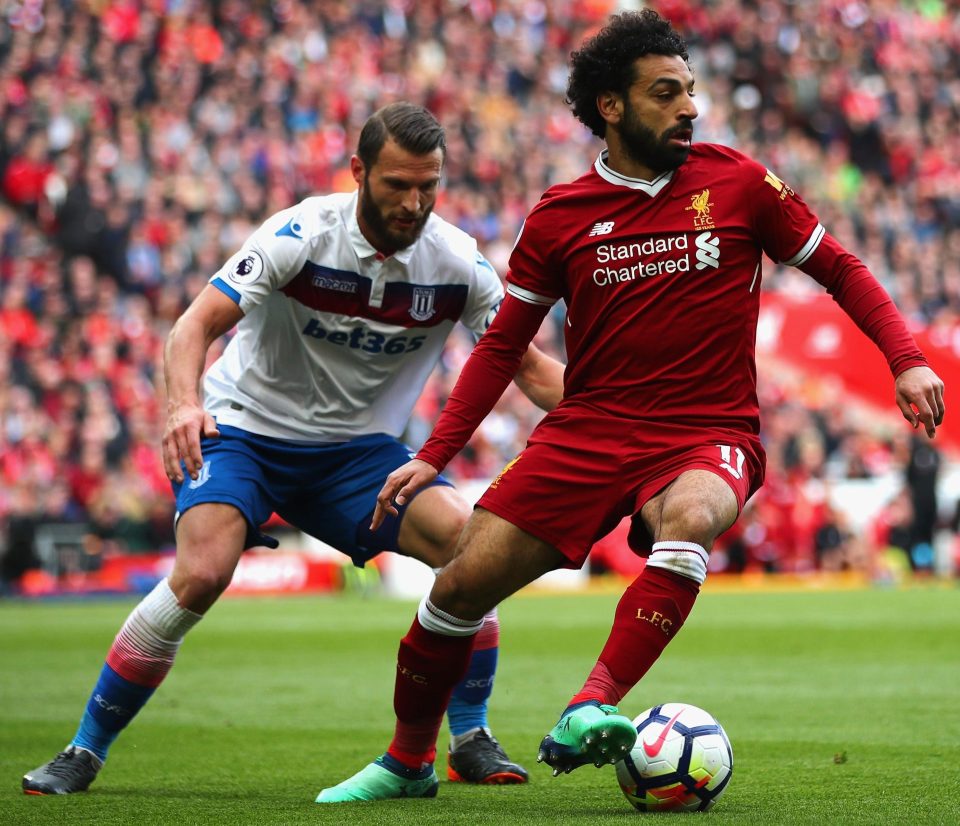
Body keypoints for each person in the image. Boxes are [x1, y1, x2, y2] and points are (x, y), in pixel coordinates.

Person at [317, 10, 945, 804]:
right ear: (610, 106)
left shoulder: (741, 184)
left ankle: (591, 703)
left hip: (706, 431)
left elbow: (842, 268)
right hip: (588, 430)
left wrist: (907, 358)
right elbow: (501, 348)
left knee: (689, 520)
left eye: (690, 91)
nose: (689, 107)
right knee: (457, 591)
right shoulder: (559, 216)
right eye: (666, 92)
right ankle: (407, 762)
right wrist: (434, 456)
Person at [22, 102, 565, 796]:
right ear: (358, 172)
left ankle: (470, 737)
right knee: (202, 572)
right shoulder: (301, 234)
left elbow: (532, 369)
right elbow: (191, 328)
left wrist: (621, 414)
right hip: (246, 431)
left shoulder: (457, 263)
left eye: (428, 185)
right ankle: (84, 750)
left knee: (471, 548)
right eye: (397, 184)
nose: (414, 201)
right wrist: (182, 405)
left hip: (357, 455)